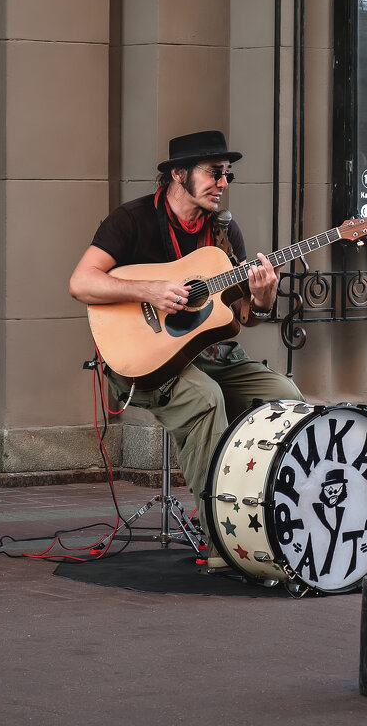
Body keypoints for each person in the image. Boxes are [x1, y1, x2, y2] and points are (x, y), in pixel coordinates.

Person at [69, 130, 304, 539]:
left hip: (209, 355)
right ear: (179, 174)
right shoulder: (131, 220)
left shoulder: (224, 234)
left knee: (286, 399)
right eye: (214, 173)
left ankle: (266, 514)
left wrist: (263, 298)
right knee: (205, 398)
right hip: (142, 364)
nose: (223, 184)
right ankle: (221, 534)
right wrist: (148, 290)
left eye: (228, 175)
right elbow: (81, 282)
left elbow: (242, 317)